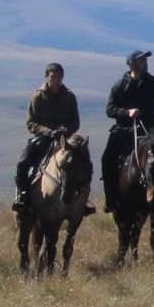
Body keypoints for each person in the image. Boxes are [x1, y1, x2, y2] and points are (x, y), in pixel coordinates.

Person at [102, 50, 154, 213]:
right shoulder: (120, 85)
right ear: (132, 64)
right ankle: (110, 200)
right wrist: (126, 113)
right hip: (124, 129)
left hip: (150, 128)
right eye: (142, 60)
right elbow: (110, 109)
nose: (145, 63)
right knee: (107, 158)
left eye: (145, 60)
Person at [13, 62, 90, 216]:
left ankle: (83, 200)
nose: (56, 80)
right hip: (44, 138)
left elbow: (76, 121)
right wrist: (49, 131)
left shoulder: (69, 96)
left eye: (59, 77)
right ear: (46, 77)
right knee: (23, 162)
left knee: (83, 160)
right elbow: (31, 123)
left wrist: (66, 130)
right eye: (53, 77)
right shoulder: (38, 97)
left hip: (66, 138)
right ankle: (22, 196)